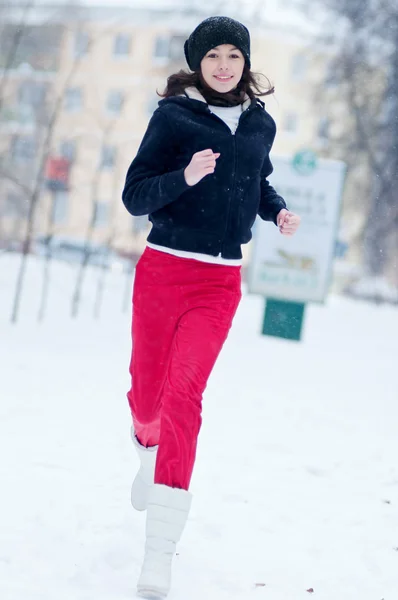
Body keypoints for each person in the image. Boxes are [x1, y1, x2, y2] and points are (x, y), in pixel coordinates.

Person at [122, 15, 301, 598]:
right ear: (196, 62)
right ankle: (147, 446)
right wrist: (185, 175)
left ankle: (160, 552)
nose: (224, 65)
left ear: (245, 62)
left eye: (234, 55)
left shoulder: (259, 124)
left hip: (219, 283)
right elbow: (135, 194)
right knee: (148, 395)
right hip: (163, 270)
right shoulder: (173, 117)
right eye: (213, 55)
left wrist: (276, 212)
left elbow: (258, 183)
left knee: (184, 397)